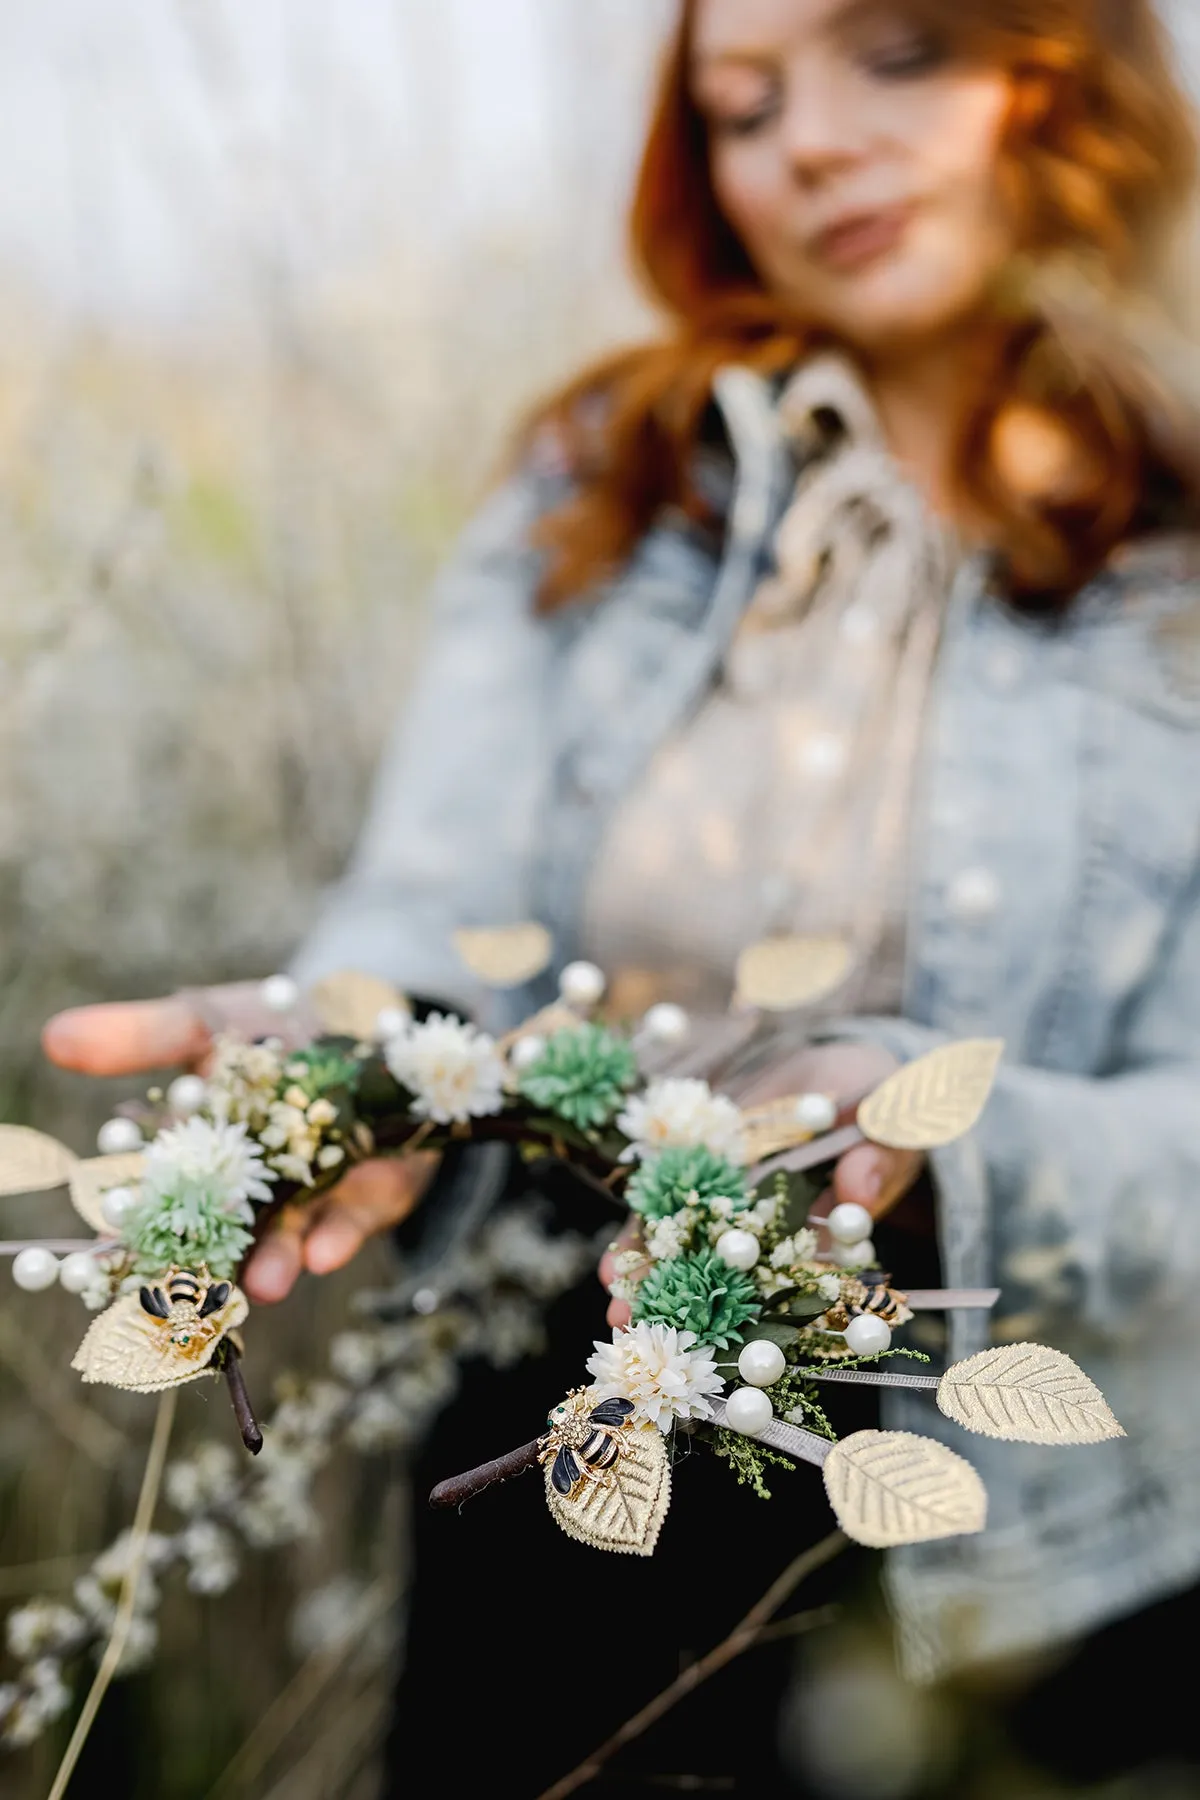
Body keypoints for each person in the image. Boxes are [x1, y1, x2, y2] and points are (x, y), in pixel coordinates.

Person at [41, 0, 1200, 1790]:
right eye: (742, 105)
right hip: (575, 1388)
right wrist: (347, 1053)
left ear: (1072, 82)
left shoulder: (1176, 557)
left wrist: (941, 1141)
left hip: (1079, 1471)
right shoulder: (609, 478)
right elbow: (428, 906)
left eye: (892, 56)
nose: (805, 144)